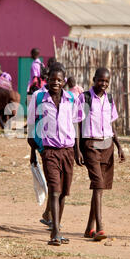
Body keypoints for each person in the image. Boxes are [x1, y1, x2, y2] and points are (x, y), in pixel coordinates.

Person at [27, 62, 83, 246]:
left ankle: (57, 226)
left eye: (59, 80)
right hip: (49, 150)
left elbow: (74, 124)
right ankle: (55, 232)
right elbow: (31, 124)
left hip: (67, 150)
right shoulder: (38, 97)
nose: (55, 83)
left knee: (64, 192)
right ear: (47, 79)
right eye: (52, 79)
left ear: (64, 81)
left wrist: (77, 150)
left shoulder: (71, 99)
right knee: (55, 189)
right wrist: (35, 150)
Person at [75, 67, 125, 241]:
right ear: (94, 79)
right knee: (98, 183)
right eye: (100, 80)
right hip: (90, 144)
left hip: (107, 145)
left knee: (100, 187)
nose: (103, 84)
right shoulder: (85, 98)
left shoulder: (110, 99)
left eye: (106, 81)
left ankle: (89, 227)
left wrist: (119, 146)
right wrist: (78, 149)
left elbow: (112, 126)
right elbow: (78, 124)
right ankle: (100, 228)